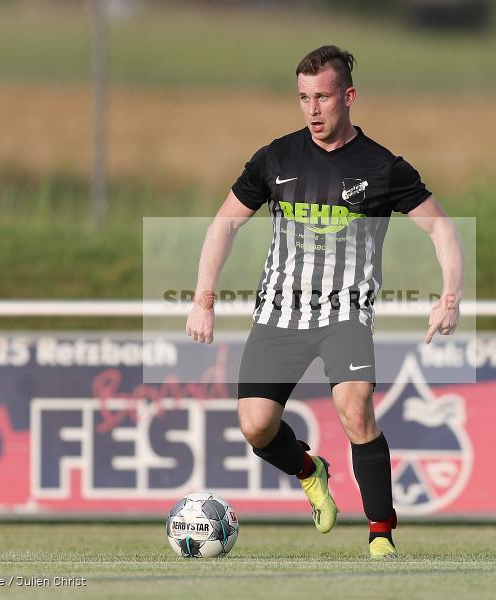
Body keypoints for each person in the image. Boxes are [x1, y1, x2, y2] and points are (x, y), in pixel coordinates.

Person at [186, 45, 462, 559]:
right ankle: (310, 470)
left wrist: (450, 296)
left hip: (345, 314)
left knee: (354, 408)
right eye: (303, 98)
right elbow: (223, 224)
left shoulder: (383, 167)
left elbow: (441, 228)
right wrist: (204, 299)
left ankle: (381, 532)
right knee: (255, 425)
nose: (312, 110)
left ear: (349, 97)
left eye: (323, 98)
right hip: (279, 312)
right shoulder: (276, 158)